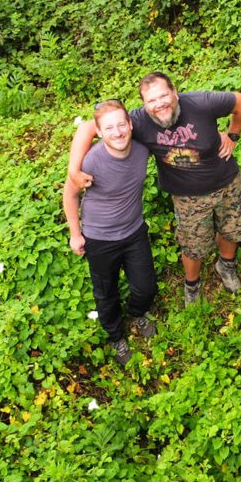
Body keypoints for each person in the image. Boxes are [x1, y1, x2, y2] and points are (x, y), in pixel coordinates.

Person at [69, 73, 241, 307]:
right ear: (144, 105)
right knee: (192, 245)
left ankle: (226, 266)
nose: (159, 104)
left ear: (175, 93)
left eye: (164, 96)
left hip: (227, 182)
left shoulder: (202, 102)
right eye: (151, 101)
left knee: (231, 229)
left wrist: (233, 135)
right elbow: (87, 127)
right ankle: (192, 285)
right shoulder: (139, 120)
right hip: (187, 196)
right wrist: (74, 170)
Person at [63, 100, 157, 366]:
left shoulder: (141, 149)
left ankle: (137, 313)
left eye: (121, 125)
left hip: (134, 231)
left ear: (130, 125)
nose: (117, 132)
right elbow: (69, 196)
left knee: (146, 286)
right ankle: (117, 336)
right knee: (106, 293)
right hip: (99, 239)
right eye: (109, 128)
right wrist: (75, 234)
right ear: (99, 132)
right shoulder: (90, 161)